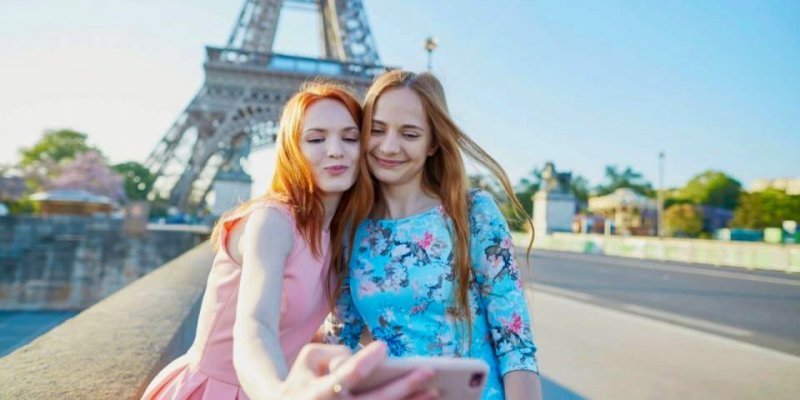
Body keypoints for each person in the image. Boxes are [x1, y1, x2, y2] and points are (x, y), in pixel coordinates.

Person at [142, 82, 437, 400]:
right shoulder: (272, 221)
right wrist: (278, 393)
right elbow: (256, 326)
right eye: (316, 138)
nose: (335, 150)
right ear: (292, 149)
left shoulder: (340, 235)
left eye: (350, 138)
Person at [324, 70, 543, 400]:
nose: (389, 146)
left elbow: (515, 343)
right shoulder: (352, 229)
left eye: (409, 134)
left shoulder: (473, 213)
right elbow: (339, 337)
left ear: (432, 144)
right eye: (377, 130)